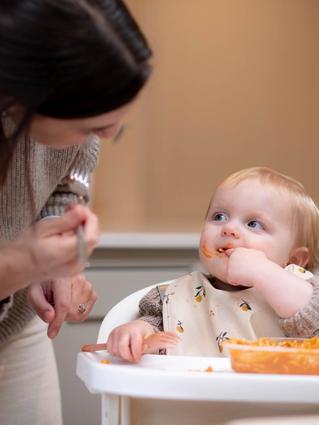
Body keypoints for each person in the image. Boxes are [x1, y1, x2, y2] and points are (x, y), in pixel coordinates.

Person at [0, 1, 152, 424]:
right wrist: (22, 264)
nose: (110, 136)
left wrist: (52, 241)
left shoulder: (67, 120)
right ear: (26, 93)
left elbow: (65, 184)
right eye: (91, 127)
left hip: (13, 325)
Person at [106, 166, 319, 362]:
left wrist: (264, 272)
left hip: (280, 402)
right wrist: (139, 333)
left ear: (294, 259)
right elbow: (157, 329)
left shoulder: (301, 291)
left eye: (253, 224)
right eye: (219, 216)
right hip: (195, 400)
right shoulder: (175, 295)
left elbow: (313, 319)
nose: (229, 229)